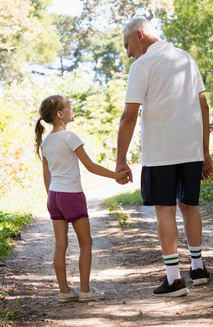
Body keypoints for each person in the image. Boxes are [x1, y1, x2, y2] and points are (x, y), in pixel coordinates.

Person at [116, 17, 213, 297]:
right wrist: (205, 151)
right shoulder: (185, 58)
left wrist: (121, 160)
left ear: (139, 35)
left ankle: (174, 279)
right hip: (191, 149)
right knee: (189, 206)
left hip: (161, 152)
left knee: (165, 210)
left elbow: (128, 117)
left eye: (127, 45)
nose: (128, 52)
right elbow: (203, 106)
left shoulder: (142, 66)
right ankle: (198, 268)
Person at [35, 95, 130, 303]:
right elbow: (90, 166)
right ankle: (85, 290)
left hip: (54, 196)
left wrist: (51, 196)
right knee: (86, 242)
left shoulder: (47, 141)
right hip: (71, 196)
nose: (71, 109)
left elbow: (46, 174)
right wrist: (116, 176)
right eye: (68, 106)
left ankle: (64, 291)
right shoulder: (70, 137)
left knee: (61, 246)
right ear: (60, 114)